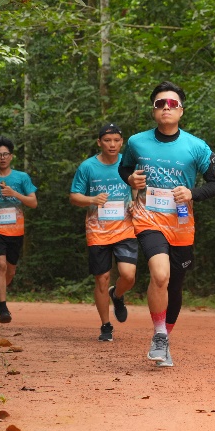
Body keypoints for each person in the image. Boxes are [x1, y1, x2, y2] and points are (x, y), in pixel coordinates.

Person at [118, 82, 215, 368]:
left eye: (173, 104)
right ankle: (159, 335)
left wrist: (193, 193)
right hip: (147, 217)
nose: (167, 107)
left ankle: (164, 340)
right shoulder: (137, 142)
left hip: (180, 221)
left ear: (181, 110)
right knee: (160, 275)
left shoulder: (197, 146)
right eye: (160, 103)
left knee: (175, 284)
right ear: (154, 110)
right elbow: (124, 167)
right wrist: (131, 180)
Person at [69, 123, 138, 342]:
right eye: (107, 140)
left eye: (117, 140)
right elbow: (74, 196)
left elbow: (137, 187)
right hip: (97, 230)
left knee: (128, 275)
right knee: (102, 277)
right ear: (99, 142)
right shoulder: (88, 167)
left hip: (126, 227)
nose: (112, 144)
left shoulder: (129, 163)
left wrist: (135, 202)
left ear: (122, 142)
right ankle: (105, 325)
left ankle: (116, 295)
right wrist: (92, 199)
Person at [0, 136, 39, 324]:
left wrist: (14, 193)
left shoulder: (21, 178)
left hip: (16, 230)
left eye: (5, 154)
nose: (2, 157)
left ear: (11, 156)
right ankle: (3, 308)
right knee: (1, 265)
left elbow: (33, 203)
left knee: (10, 272)